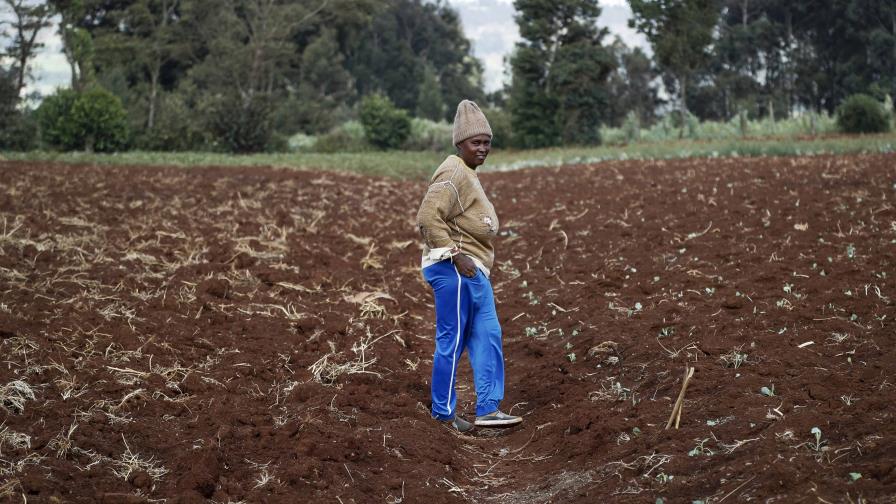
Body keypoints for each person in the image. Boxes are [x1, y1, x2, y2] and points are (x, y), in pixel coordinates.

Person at [415, 100, 523, 432]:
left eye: (487, 142)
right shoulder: (453, 170)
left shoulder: (468, 173)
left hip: (472, 272)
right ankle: (443, 413)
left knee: (487, 334)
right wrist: (454, 254)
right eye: (476, 142)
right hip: (455, 270)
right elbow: (427, 216)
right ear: (460, 143)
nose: (483, 149)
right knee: (452, 338)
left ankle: (489, 408)